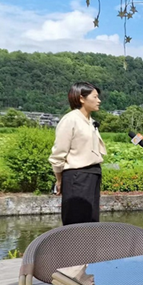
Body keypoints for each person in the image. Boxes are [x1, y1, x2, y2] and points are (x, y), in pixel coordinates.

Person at [49, 82, 106, 225]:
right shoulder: (70, 120)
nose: (99, 101)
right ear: (81, 98)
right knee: (76, 221)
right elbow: (58, 154)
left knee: (91, 221)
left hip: (93, 174)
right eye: (95, 97)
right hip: (77, 176)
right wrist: (59, 180)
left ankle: (89, 241)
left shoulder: (90, 121)